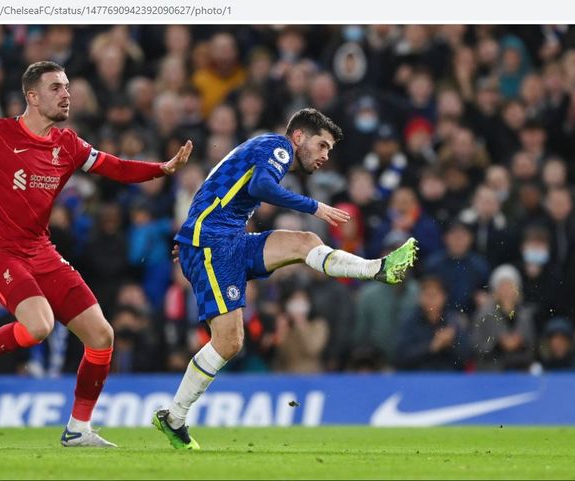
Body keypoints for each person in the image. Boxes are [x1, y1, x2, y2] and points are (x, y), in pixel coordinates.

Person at [153, 108, 418, 450]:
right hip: (212, 243)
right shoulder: (277, 146)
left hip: (225, 240)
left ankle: (377, 269)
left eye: (329, 151)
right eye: (321, 145)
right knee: (230, 341)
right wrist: (314, 206)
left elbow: (218, 189)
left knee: (305, 242)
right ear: (298, 138)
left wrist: (191, 235)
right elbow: (260, 185)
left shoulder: (264, 150)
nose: (325, 155)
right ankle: (174, 418)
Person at [0, 61, 193, 447]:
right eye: (56, 87)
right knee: (38, 326)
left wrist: (163, 168)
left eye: (67, 86)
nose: (66, 94)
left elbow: (114, 167)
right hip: (2, 251)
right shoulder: (1, 136)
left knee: (102, 336)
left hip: (41, 249)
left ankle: (78, 429)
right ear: (32, 97)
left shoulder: (66, 144)